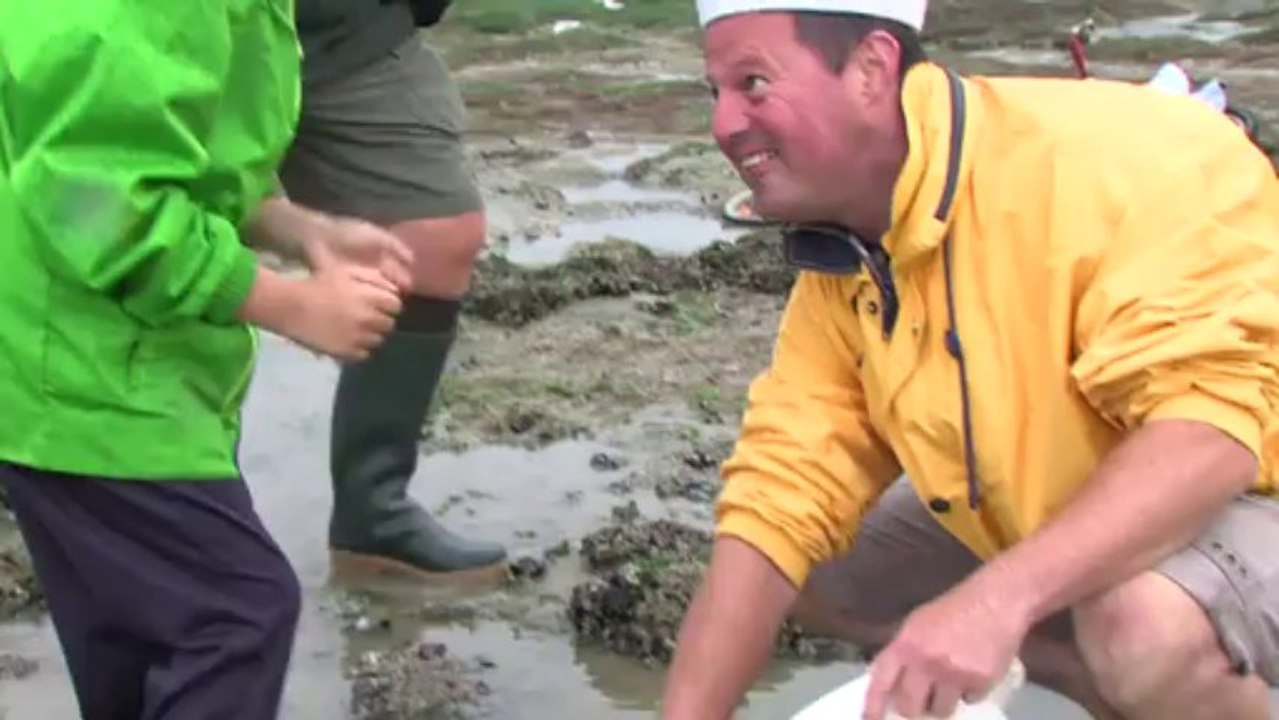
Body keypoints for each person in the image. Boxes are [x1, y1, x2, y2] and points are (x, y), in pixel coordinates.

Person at [661, 2, 1279, 719]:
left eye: (754, 84)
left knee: (1140, 626)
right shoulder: (850, 243)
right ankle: (1098, 685)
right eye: (715, 92)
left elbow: (1208, 435)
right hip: (1058, 493)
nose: (723, 125)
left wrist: (992, 602)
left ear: (871, 68)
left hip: (1249, 484)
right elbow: (777, 498)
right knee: (787, 573)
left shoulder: (1126, 158)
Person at [0, 1, 412, 717]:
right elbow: (87, 194)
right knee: (235, 615)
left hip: (75, 369)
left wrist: (300, 229)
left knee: (131, 644)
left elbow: (161, 148)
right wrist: (288, 304)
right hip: (85, 379)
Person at [278, 0, 508, 581]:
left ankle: (373, 511)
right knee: (155, 219)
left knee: (433, 235)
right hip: (177, 27)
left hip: (349, 29)